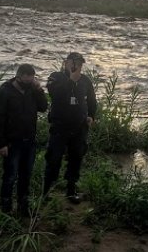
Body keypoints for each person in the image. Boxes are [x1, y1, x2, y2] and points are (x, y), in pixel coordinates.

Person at [0, 63, 48, 216]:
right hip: (12, 143)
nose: (29, 82)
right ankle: (6, 209)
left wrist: (39, 89)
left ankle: (23, 206)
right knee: (10, 176)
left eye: (32, 79)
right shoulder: (4, 93)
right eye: (27, 79)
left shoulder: (32, 91)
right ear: (19, 76)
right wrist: (1, 144)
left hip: (29, 141)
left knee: (26, 175)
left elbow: (43, 107)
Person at [43, 52, 97, 204]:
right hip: (60, 126)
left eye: (80, 64)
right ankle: (46, 192)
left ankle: (70, 190)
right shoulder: (56, 77)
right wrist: (70, 81)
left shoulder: (85, 80)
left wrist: (91, 116)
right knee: (53, 158)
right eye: (74, 63)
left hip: (79, 127)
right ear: (66, 63)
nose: (77, 67)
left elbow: (92, 100)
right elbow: (55, 95)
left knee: (76, 159)